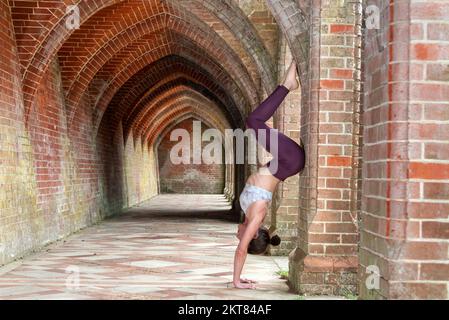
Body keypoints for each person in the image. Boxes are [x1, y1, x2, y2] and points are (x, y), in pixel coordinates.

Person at [233, 61, 305, 289]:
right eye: (243, 237)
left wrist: (265, 167)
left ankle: (287, 84)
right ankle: (287, 85)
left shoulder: (249, 213)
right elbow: (241, 250)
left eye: (240, 238)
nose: (238, 237)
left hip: (282, 163)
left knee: (254, 122)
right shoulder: (255, 218)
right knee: (254, 122)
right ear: (253, 235)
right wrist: (237, 280)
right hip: (289, 161)